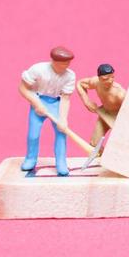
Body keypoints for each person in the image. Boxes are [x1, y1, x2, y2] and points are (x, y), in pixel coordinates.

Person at [19, 47, 79, 176]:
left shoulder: (70, 75)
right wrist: (36, 103)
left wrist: (63, 119)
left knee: (61, 133)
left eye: (67, 63)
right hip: (38, 100)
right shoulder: (38, 69)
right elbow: (23, 88)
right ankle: (30, 159)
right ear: (53, 61)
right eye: (62, 63)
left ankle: (61, 162)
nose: (65, 66)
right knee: (33, 134)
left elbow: (66, 98)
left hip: (57, 104)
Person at [77, 63, 126, 166]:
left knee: (123, 144)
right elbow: (80, 83)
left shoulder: (119, 93)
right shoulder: (95, 82)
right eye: (105, 79)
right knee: (95, 144)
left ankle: (121, 164)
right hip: (105, 113)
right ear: (99, 78)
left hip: (119, 117)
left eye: (112, 77)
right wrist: (86, 101)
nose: (110, 81)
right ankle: (104, 163)